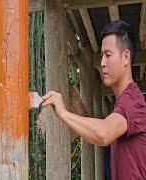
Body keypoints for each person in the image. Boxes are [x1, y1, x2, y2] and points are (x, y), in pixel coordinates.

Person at [42, 20, 146, 180]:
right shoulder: (123, 102)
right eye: (102, 55)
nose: (102, 63)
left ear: (126, 57)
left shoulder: (133, 100)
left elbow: (104, 133)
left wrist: (64, 113)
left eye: (108, 55)